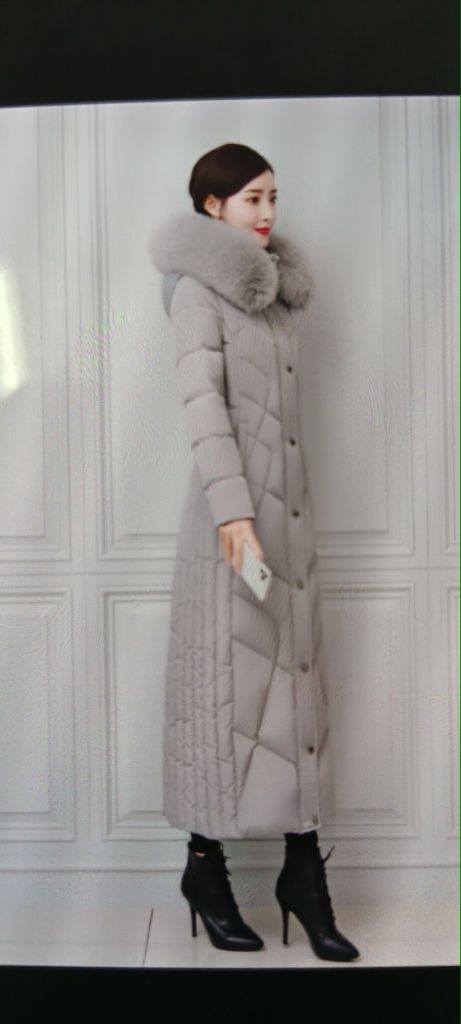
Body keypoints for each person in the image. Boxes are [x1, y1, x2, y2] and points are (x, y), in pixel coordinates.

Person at [148, 142, 359, 961]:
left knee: (293, 700)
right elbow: (202, 406)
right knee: (224, 703)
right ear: (212, 206)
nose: (267, 211)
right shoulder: (197, 292)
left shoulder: (270, 298)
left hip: (289, 528)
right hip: (229, 526)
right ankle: (205, 869)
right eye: (250, 199)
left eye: (272, 196)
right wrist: (235, 516)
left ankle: (304, 877)